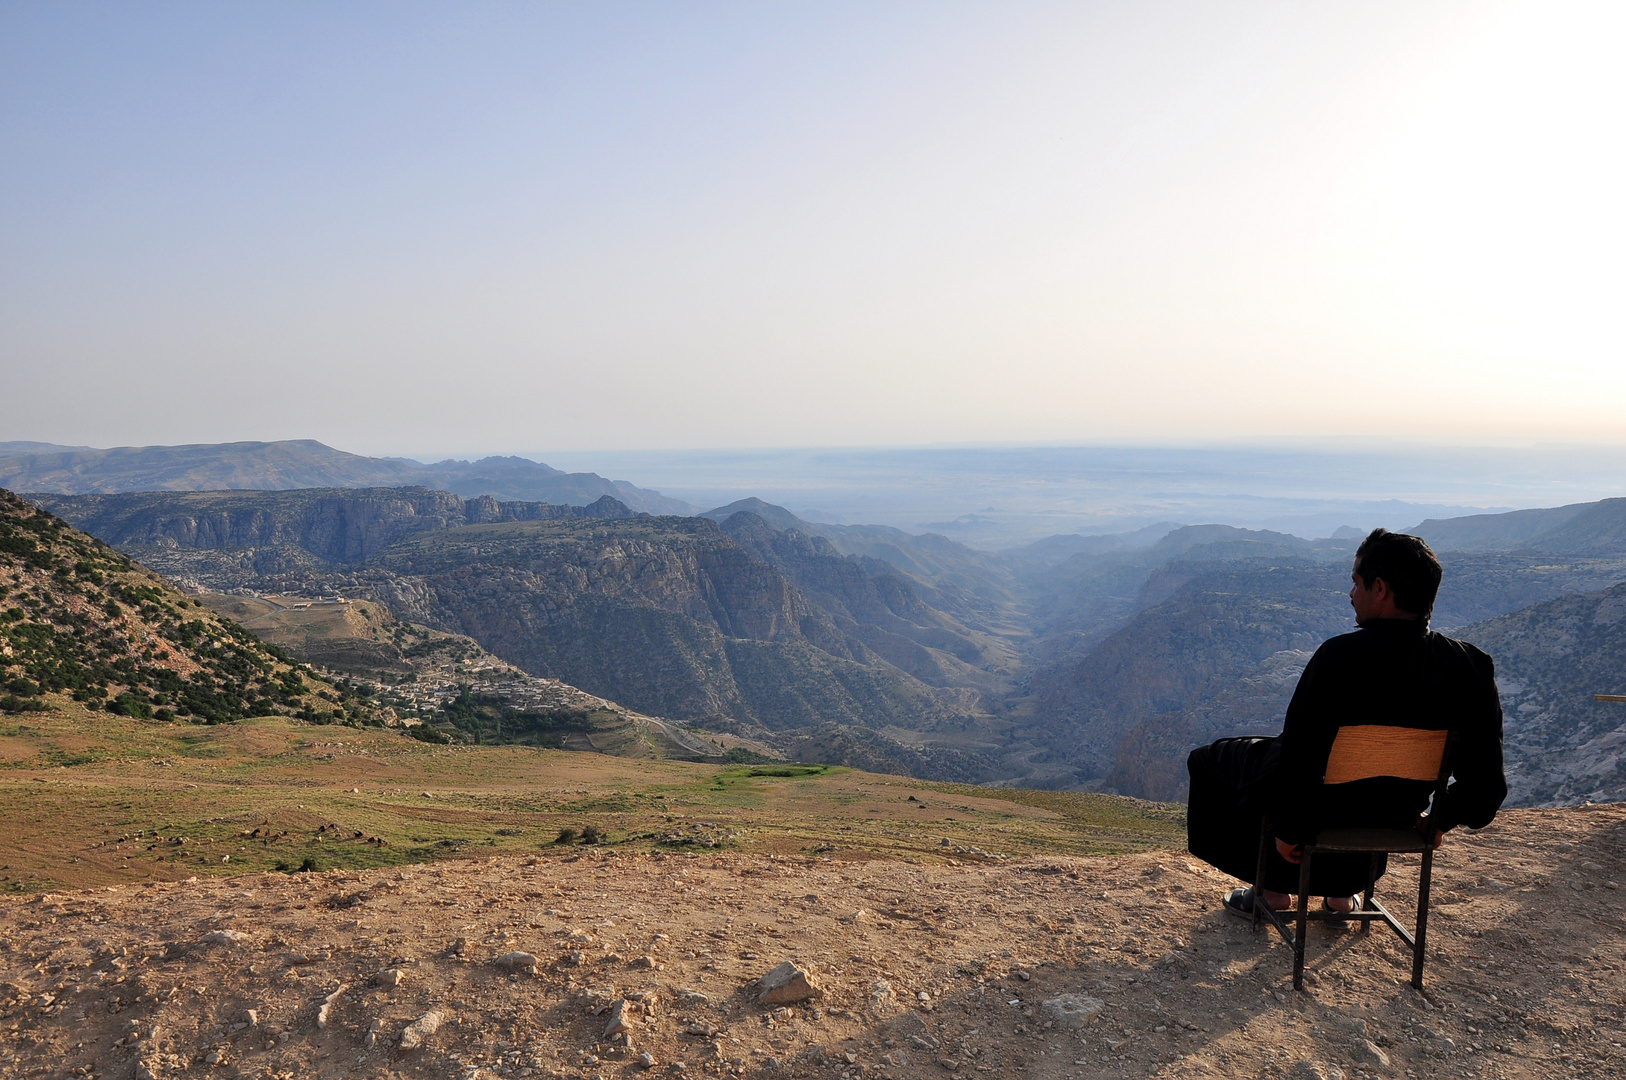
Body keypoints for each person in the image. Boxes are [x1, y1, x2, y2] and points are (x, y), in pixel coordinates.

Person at [1185, 528, 1508, 916]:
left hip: (1325, 809)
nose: (1351, 594)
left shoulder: (1339, 659)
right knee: (1355, 789)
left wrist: (1290, 828)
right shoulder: (1470, 667)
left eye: (1356, 583)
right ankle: (1343, 890)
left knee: (1210, 761)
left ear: (1381, 590)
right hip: (1394, 814)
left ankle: (1271, 888)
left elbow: (1301, 756)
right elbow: (1487, 785)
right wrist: (1443, 817)